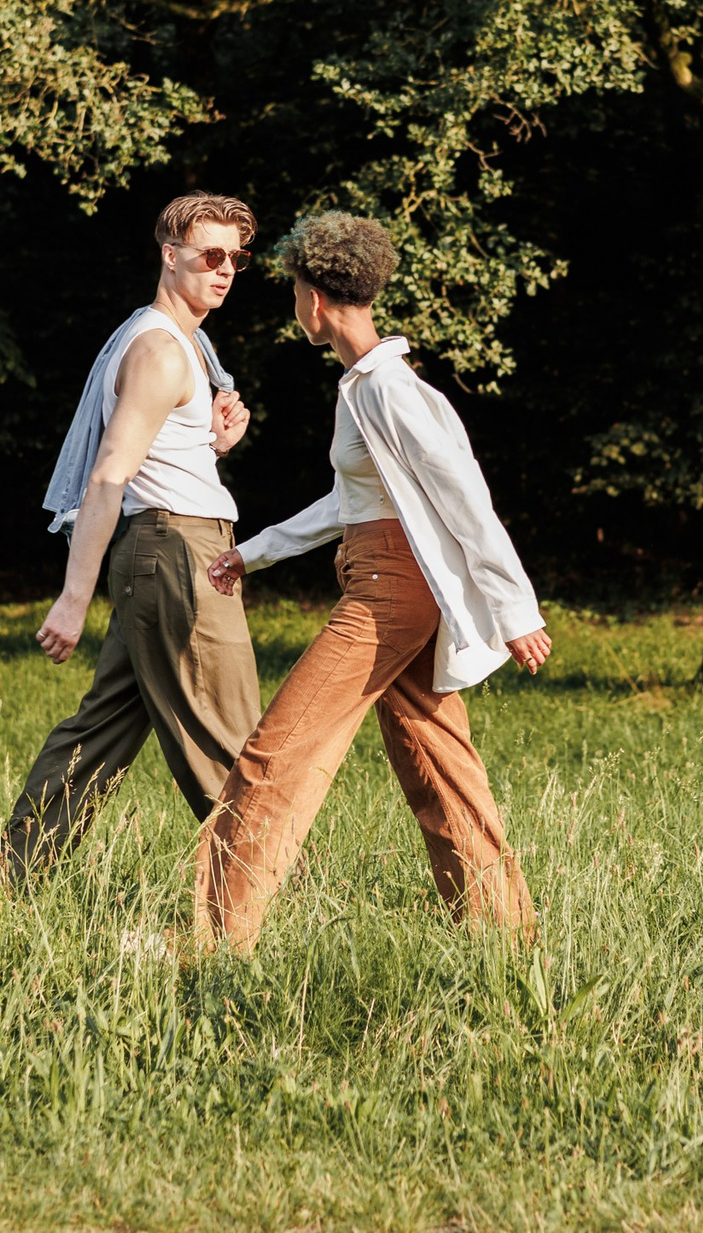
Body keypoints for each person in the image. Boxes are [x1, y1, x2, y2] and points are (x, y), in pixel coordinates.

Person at [195, 211, 551, 950]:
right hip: (389, 579)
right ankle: (504, 938)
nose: (296, 304)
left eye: (295, 290)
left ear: (317, 298)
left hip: (390, 593)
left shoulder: (389, 388)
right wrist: (254, 553)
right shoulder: (367, 386)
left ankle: (211, 938)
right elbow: (351, 502)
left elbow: (464, 497)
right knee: (438, 763)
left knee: (278, 752)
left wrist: (516, 610)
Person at [0, 193, 264, 879]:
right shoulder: (161, 352)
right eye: (210, 254)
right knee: (231, 738)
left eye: (235, 259)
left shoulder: (182, 344)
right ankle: (272, 893)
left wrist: (214, 446)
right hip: (179, 555)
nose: (224, 270)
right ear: (170, 256)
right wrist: (73, 599)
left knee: (99, 735)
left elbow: (151, 461)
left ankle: (4, 876)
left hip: (167, 549)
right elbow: (110, 475)